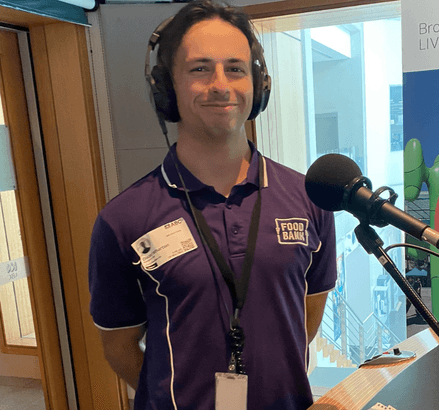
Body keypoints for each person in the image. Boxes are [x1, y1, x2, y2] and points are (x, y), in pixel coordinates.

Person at [88, 1, 337, 409]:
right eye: (200, 68)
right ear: (166, 87)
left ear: (258, 85)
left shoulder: (308, 198)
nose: (220, 84)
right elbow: (119, 347)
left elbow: (305, 322)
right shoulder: (122, 220)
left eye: (236, 68)